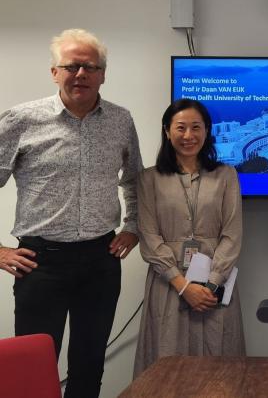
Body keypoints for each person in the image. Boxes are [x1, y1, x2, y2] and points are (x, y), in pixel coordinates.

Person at [0, 28, 143, 398]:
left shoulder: (120, 121)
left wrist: (132, 226)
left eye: (90, 67)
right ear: (54, 72)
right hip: (39, 262)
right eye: (72, 66)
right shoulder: (20, 120)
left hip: (100, 260)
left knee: (89, 363)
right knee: (33, 367)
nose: (81, 74)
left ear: (103, 74)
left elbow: (133, 180)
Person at [133, 99, 245, 376]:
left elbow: (232, 234)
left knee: (218, 366)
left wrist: (211, 284)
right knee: (167, 364)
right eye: (180, 127)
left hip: (214, 289)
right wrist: (183, 286)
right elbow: (148, 237)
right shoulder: (149, 179)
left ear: (207, 131)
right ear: (167, 131)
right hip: (168, 284)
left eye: (196, 127)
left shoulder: (226, 175)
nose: (188, 135)